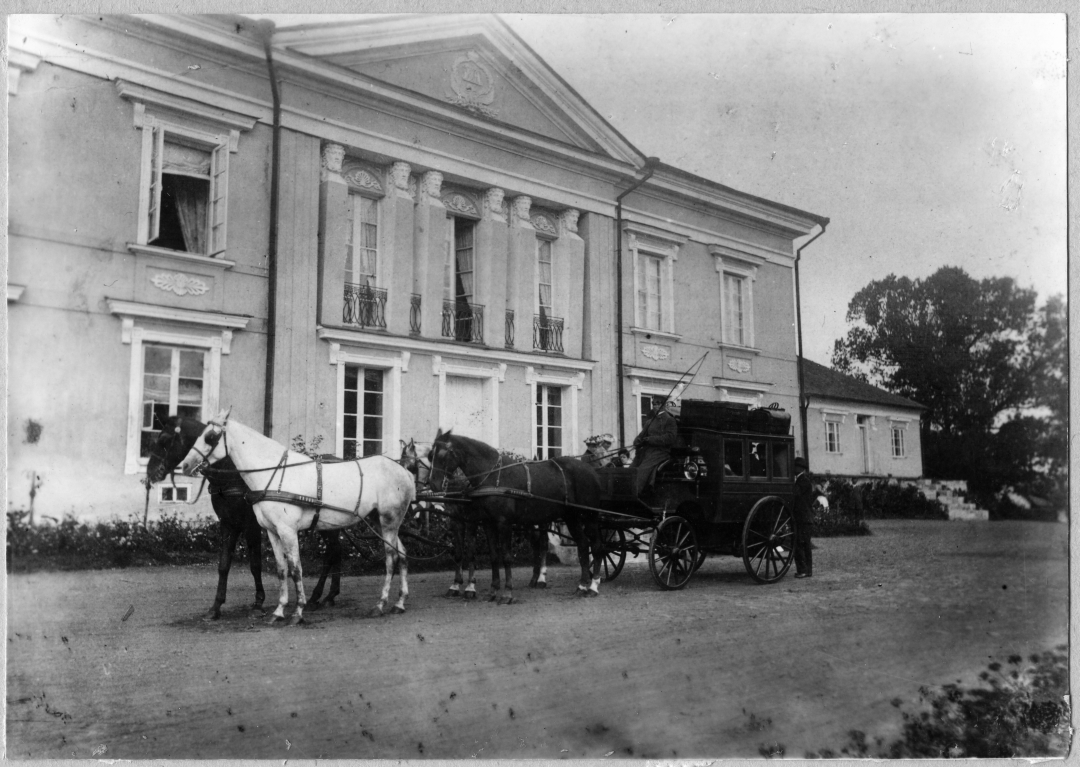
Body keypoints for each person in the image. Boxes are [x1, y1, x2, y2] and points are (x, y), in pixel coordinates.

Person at [630, 399, 679, 497]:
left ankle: (636, 493)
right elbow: (641, 435)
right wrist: (638, 441)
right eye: (654, 404)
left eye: (658, 403)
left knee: (643, 469)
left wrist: (651, 439)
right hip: (646, 451)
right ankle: (627, 491)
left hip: (660, 452)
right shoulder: (649, 422)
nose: (655, 406)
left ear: (664, 405)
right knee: (632, 469)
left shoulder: (670, 420)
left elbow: (671, 437)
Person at [792, 456, 817, 578]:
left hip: (804, 518)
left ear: (799, 468)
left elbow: (795, 494)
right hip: (804, 518)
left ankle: (804, 570)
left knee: (801, 544)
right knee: (804, 544)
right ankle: (806, 570)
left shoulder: (803, 481)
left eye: (795, 467)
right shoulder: (801, 480)